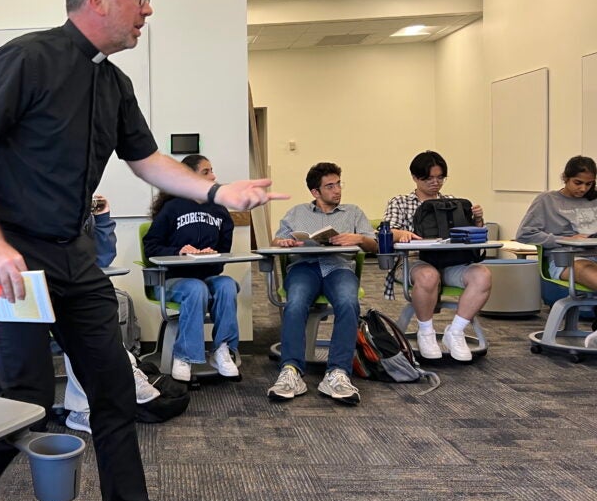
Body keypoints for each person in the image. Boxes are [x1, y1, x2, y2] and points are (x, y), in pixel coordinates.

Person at [0, 0, 286, 501]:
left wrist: (218, 194)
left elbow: (148, 160)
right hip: (12, 256)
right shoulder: (26, 58)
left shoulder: (113, 83)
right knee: (22, 400)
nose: (148, 10)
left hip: (73, 256)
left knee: (114, 390)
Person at [267, 162, 377, 405]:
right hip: (304, 267)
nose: (337, 190)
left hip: (339, 267)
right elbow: (277, 239)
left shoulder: (353, 212)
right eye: (330, 186)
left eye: (338, 184)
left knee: (349, 303)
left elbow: (374, 245)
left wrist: (357, 238)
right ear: (315, 192)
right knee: (295, 304)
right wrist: (282, 243)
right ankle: (291, 371)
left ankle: (338, 373)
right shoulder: (297, 212)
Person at [62, 195, 160, 435]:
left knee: (102, 300)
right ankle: (84, 405)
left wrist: (103, 218)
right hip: (38, 288)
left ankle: (123, 368)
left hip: (74, 287)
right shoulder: (49, 206)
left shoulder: (82, 209)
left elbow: (103, 258)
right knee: (76, 313)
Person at [382, 150, 491, 362]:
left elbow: (472, 235)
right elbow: (388, 230)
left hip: (450, 262)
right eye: (429, 178)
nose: (435, 183)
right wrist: (400, 233)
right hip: (413, 261)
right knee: (428, 276)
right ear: (415, 177)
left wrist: (478, 220)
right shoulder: (401, 202)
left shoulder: (453, 202)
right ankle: (426, 332)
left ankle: (456, 331)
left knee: (482, 275)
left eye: (440, 177)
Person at [142, 154, 241, 383]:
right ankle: (184, 355)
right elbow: (151, 248)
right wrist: (179, 252)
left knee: (226, 285)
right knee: (196, 288)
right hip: (172, 281)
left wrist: (211, 255)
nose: (213, 176)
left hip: (207, 277)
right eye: (206, 171)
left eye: (212, 170)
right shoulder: (171, 208)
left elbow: (223, 256)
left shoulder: (219, 211)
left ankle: (222, 350)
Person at [515, 155, 597, 291]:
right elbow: (525, 234)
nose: (583, 189)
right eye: (578, 183)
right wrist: (564, 239)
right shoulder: (547, 200)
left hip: (593, 254)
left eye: (589, 184)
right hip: (566, 260)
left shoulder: (594, 199)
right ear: (565, 178)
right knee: (585, 269)